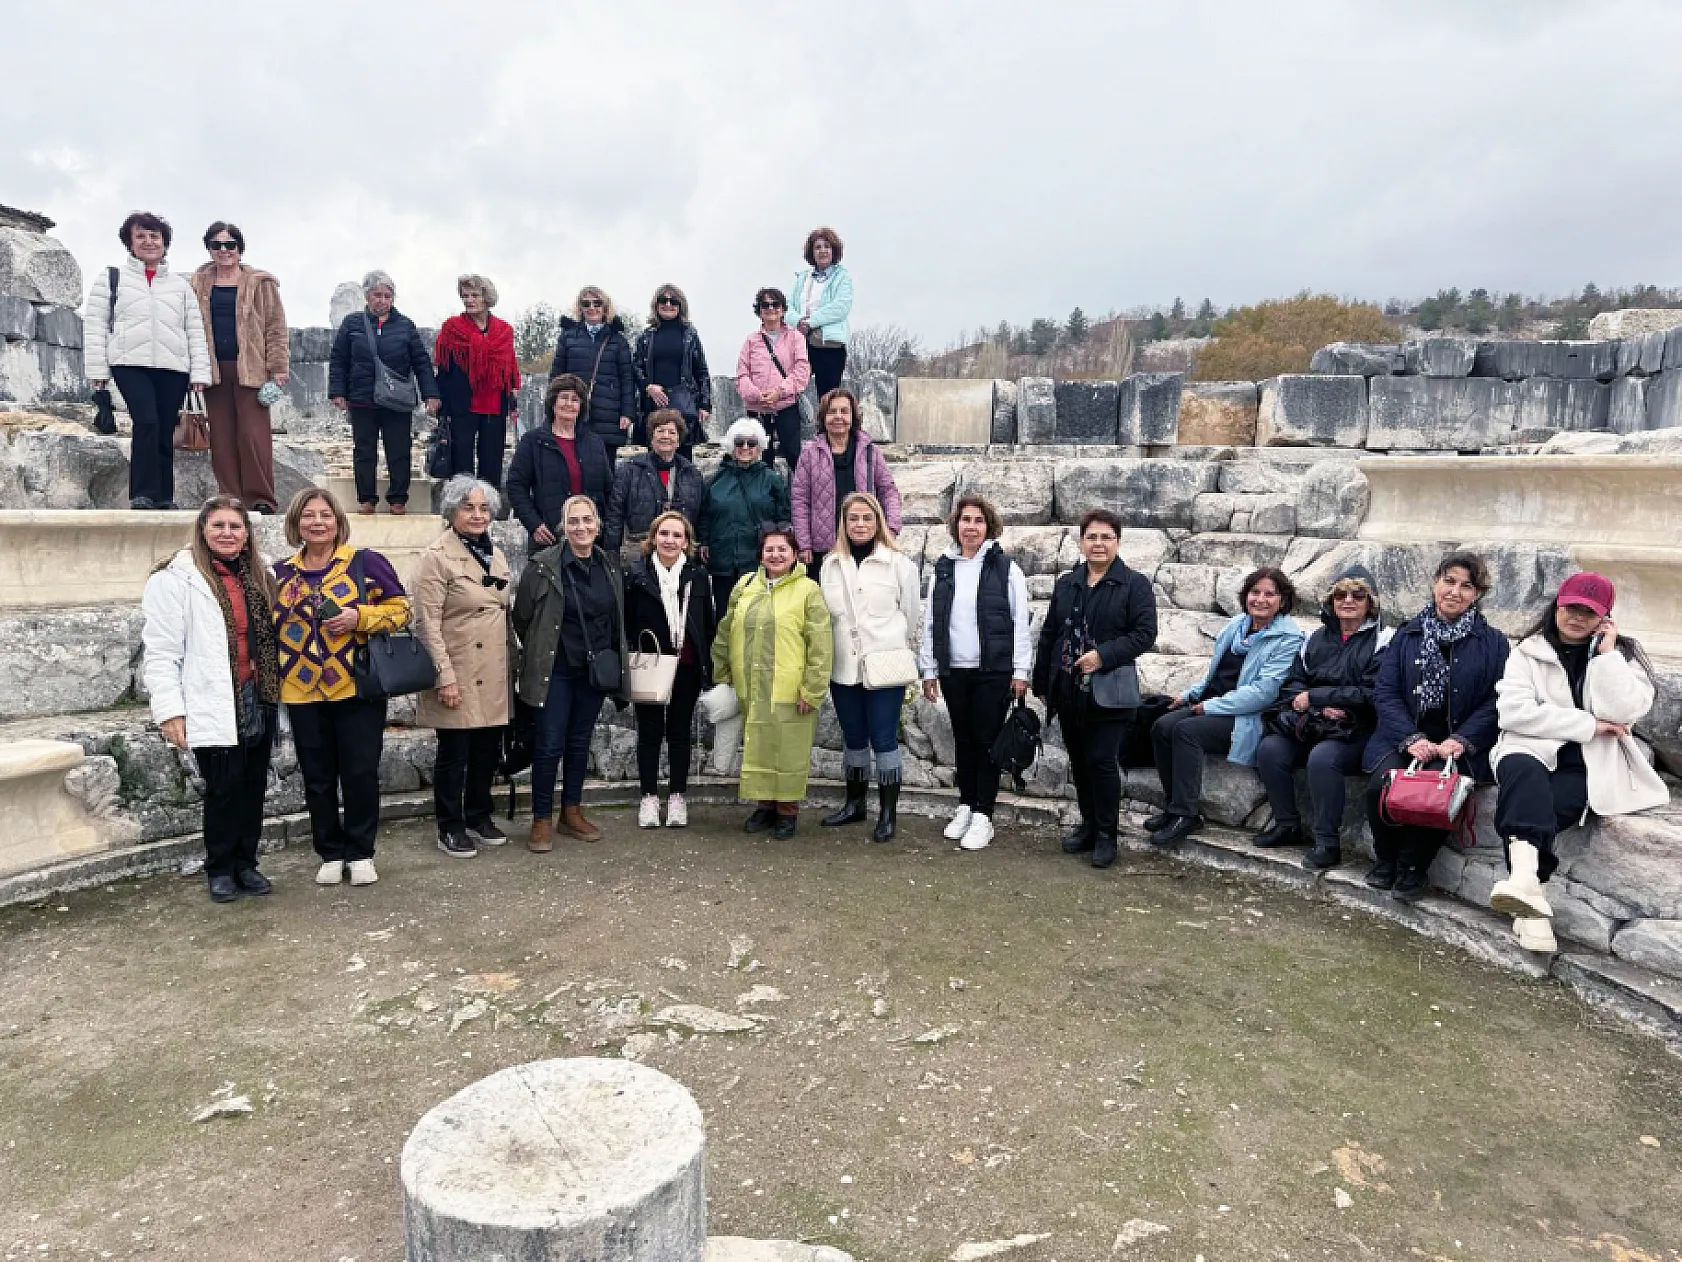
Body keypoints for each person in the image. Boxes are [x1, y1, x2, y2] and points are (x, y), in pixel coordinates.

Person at [1487, 573, 1666, 952]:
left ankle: (1526, 894)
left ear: (1605, 619)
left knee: (1544, 808)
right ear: (1557, 605)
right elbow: (1513, 714)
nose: (1577, 617)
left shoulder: (1624, 657)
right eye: (1571, 608)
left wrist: (1608, 658)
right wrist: (1590, 724)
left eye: (1589, 612)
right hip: (1529, 746)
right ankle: (1529, 895)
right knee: (1520, 772)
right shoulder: (1527, 652)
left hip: (1589, 760)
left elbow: (1624, 711)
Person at [140, 496, 280, 902]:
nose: (227, 533)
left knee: (253, 786)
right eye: (218, 526)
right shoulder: (175, 578)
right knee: (223, 788)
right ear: (202, 530)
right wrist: (170, 712)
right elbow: (162, 651)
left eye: (235, 526)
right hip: (212, 697)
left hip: (260, 695)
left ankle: (245, 863)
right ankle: (219, 866)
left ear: (247, 534)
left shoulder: (261, 574)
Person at [272, 488, 411, 887]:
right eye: (309, 516)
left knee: (360, 771)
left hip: (356, 687)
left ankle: (361, 851)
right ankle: (329, 852)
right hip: (301, 689)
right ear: (296, 522)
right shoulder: (281, 573)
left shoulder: (365, 563)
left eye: (325, 515)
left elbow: (401, 610)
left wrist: (359, 617)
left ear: (338, 521)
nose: (318, 522)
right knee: (317, 776)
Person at [1362, 551, 1510, 903]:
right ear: (1435, 583)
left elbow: (1497, 700)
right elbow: (1386, 691)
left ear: (1477, 594)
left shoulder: (1493, 643)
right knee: (1378, 787)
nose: (1455, 592)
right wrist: (1410, 738)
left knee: (1439, 793)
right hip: (1405, 736)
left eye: (1466, 586)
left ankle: (1413, 868)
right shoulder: (1407, 634)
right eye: (1449, 581)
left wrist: (1462, 739)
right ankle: (1386, 859)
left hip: (1458, 742)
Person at [1033, 509, 1159, 868]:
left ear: (1117, 542)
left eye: (1106, 537)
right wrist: (1043, 681)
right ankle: (1088, 825)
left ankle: (1107, 834)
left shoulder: (1134, 585)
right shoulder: (1067, 583)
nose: (1098, 544)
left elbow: (1144, 634)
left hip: (1109, 691)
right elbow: (1050, 633)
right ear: (1081, 542)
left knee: (1102, 762)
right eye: (1092, 537)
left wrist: (1102, 656)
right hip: (1069, 689)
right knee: (1080, 762)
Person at [1150, 567, 1304, 848]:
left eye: (1270, 594)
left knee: (1186, 731)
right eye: (1255, 592)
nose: (1261, 599)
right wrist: (1189, 695)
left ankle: (1186, 815)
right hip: (1214, 703)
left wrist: (1209, 707)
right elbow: (1215, 674)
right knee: (1162, 726)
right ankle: (1173, 806)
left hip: (1246, 716)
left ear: (1282, 600)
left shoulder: (1289, 638)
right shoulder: (1236, 626)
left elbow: (1263, 693)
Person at [1252, 566, 1393, 872]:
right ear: (1331, 601)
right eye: (1340, 594)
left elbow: (1372, 694)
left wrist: (1320, 697)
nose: (1348, 601)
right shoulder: (1316, 638)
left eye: (1358, 595)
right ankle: (1287, 824)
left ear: (1370, 602)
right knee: (1270, 749)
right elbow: (1294, 683)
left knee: (1323, 758)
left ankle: (1327, 842)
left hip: (1358, 730)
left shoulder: (1384, 640)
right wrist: (1316, 707)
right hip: (1316, 723)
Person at [512, 494, 629, 853]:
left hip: (592, 672)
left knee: (579, 742)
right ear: (564, 526)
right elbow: (523, 616)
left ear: (597, 524)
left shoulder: (609, 564)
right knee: (549, 744)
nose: (581, 527)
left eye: (587, 520)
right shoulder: (543, 565)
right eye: (573, 521)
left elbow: (614, 617)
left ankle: (572, 811)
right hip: (555, 668)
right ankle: (542, 819)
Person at [917, 494, 1032, 852]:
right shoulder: (944, 568)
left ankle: (985, 814)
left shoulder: (1006, 569)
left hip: (992, 671)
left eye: (978, 521)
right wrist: (929, 669)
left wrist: (1020, 669)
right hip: (955, 672)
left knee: (986, 742)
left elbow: (1020, 623)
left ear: (989, 526)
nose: (971, 527)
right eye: (965, 520)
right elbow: (932, 622)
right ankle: (966, 804)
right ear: (956, 526)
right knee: (963, 740)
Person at [412, 475, 514, 858]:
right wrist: (444, 677)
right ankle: (449, 825)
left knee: (486, 750)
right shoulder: (436, 557)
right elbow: (426, 622)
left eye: (483, 507)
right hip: (457, 667)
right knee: (454, 754)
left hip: (493, 668)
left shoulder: (495, 552)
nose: (477, 515)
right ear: (451, 511)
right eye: (468, 507)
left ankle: (478, 813)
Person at [83, 211, 212, 510]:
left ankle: (164, 496)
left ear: (165, 242)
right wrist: (97, 370)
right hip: (129, 363)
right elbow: (95, 324)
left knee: (166, 428)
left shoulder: (181, 285)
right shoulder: (112, 277)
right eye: (140, 236)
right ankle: (141, 492)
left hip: (173, 366)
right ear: (130, 243)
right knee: (147, 423)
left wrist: (199, 373)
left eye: (154, 236)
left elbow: (194, 329)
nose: (148, 241)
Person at [713, 524, 832, 838]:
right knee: (759, 747)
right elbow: (726, 630)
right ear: (761, 554)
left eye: (783, 549)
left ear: (794, 554)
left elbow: (820, 644)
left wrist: (813, 688)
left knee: (788, 749)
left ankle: (788, 811)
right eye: (770, 549)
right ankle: (765, 806)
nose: (776, 554)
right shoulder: (745, 585)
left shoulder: (808, 590)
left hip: (789, 689)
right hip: (750, 686)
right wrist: (722, 672)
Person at [819, 492, 921, 842]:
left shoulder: (899, 564)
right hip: (844, 665)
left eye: (866, 518)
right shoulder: (831, 564)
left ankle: (888, 813)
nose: (859, 525)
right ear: (844, 524)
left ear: (877, 521)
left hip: (883, 665)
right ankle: (855, 804)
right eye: (853, 519)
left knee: (884, 739)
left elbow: (910, 616)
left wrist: (884, 643)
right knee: (854, 738)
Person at [625, 511, 716, 829]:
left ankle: (677, 796)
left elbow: (707, 624)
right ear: (652, 538)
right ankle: (649, 797)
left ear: (687, 542)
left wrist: (709, 665)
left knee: (680, 733)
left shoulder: (698, 576)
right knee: (649, 733)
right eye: (664, 533)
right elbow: (626, 621)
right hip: (651, 665)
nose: (670, 540)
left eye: (677, 535)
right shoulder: (636, 574)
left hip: (686, 666)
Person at [189, 221, 288, 512]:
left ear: (240, 248)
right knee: (221, 439)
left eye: (229, 244)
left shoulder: (261, 283)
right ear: (209, 248)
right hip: (213, 370)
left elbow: (276, 326)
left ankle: (261, 498)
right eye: (216, 244)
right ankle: (230, 499)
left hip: (252, 369)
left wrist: (278, 367)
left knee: (253, 437)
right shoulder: (197, 283)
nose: (223, 250)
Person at [328, 270, 440, 515]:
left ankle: (398, 498)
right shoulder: (352, 324)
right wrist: (338, 391)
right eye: (377, 295)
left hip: (396, 400)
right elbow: (339, 359)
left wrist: (431, 394)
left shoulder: (405, 326)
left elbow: (421, 362)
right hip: (362, 399)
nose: (382, 300)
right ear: (367, 296)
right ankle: (366, 499)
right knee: (364, 449)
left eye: (387, 295)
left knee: (399, 450)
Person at [791, 388, 902, 575]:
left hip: (864, 541)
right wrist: (804, 543)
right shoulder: (809, 454)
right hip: (824, 547)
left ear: (853, 416)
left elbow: (888, 491)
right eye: (832, 411)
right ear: (823, 417)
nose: (838, 416)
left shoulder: (870, 452)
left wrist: (891, 528)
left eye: (844, 411)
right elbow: (800, 500)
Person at [432, 274, 520, 489]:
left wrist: (513, 393)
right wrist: (436, 399)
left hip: (493, 403)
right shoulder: (451, 328)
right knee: (461, 459)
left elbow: (509, 366)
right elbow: (443, 367)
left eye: (475, 295)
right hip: (461, 403)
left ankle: (488, 506)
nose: (469, 300)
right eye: (465, 296)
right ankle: (461, 505)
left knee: (492, 458)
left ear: (486, 298)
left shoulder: (504, 330)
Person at [506, 374, 614, 546]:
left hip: (589, 536)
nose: (569, 404)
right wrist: (533, 524)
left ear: (581, 406)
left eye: (575, 400)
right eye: (563, 398)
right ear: (553, 403)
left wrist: (605, 526)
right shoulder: (532, 441)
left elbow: (608, 489)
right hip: (549, 537)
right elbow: (516, 486)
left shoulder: (595, 442)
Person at [698, 417, 792, 614]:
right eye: (740, 442)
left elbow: (783, 517)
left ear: (760, 447)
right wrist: (704, 542)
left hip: (756, 561)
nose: (745, 447)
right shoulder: (717, 479)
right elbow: (705, 514)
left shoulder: (771, 479)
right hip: (722, 559)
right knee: (725, 617)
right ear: (732, 446)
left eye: (752, 442)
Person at [604, 409, 705, 563]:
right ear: (651, 438)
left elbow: (701, 516)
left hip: (678, 552)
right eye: (660, 431)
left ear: (678, 440)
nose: (666, 436)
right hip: (638, 551)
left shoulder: (692, 473)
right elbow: (615, 514)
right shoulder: (629, 469)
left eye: (672, 432)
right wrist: (611, 553)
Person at [550, 287, 636, 467]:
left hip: (609, 411)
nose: (592, 307)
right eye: (586, 303)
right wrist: (552, 406)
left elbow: (627, 379)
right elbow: (556, 377)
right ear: (580, 308)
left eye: (597, 303)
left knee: (604, 467)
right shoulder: (568, 337)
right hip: (574, 409)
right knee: (572, 464)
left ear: (605, 307)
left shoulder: (618, 341)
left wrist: (627, 413)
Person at [736, 287, 810, 473]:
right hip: (758, 409)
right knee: (760, 460)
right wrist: (757, 395)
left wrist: (779, 393)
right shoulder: (751, 341)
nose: (771, 308)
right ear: (759, 311)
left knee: (795, 456)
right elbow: (742, 374)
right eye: (765, 305)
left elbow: (801, 370)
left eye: (775, 304)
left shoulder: (796, 338)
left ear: (783, 309)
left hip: (786, 406)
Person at [631, 284, 711, 456]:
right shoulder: (645, 336)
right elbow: (635, 367)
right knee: (653, 457)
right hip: (653, 404)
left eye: (673, 301)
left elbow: (701, 370)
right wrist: (647, 386)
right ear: (656, 304)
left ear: (681, 305)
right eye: (663, 300)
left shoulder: (690, 334)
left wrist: (705, 404)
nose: (668, 304)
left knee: (683, 456)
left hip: (683, 403)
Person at [791, 226, 854, 397]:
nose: (822, 251)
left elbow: (840, 307)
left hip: (829, 346)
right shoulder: (802, 278)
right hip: (801, 343)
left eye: (827, 246)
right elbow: (788, 307)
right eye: (818, 247)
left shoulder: (842, 277)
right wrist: (798, 321)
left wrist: (810, 322)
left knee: (827, 398)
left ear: (834, 250)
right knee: (791, 392)